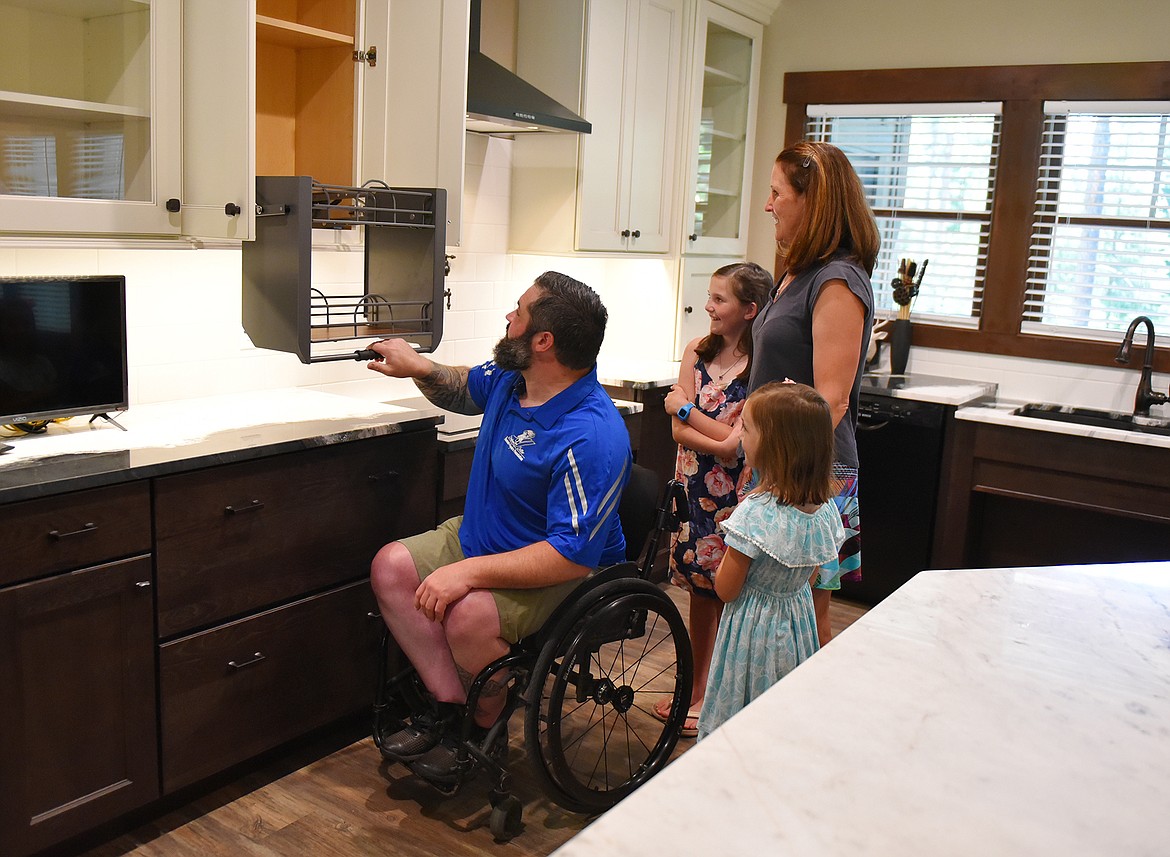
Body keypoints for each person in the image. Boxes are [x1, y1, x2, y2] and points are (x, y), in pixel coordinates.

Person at [366, 271, 631, 783]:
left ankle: (485, 721)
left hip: (554, 567)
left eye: (518, 312)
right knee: (391, 567)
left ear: (543, 341)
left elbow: (571, 554)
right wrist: (416, 365)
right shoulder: (516, 379)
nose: (508, 318)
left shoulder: (590, 434)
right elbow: (466, 387)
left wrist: (467, 575)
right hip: (483, 536)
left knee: (466, 616)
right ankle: (450, 709)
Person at [750, 140, 880, 646]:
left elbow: (832, 398)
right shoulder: (798, 274)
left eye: (777, 193)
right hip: (775, 463)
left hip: (809, 474)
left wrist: (778, 475)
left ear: (812, 201)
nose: (768, 205)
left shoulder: (838, 281)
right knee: (766, 614)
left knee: (803, 616)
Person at [654, 262, 771, 738]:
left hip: (735, 500)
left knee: (730, 593)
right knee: (700, 595)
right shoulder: (696, 352)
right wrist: (701, 426)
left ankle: (721, 696)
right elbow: (683, 434)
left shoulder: (761, 365)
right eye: (709, 297)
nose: (708, 307)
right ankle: (696, 691)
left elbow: (734, 446)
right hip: (691, 490)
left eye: (719, 300)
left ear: (749, 310)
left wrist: (683, 406)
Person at [698, 382, 846, 739]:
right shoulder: (825, 510)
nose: (740, 435)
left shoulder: (754, 514)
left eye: (746, 428)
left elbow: (727, 590)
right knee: (780, 718)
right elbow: (810, 577)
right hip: (797, 625)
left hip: (752, 631)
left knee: (742, 717)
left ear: (775, 444)